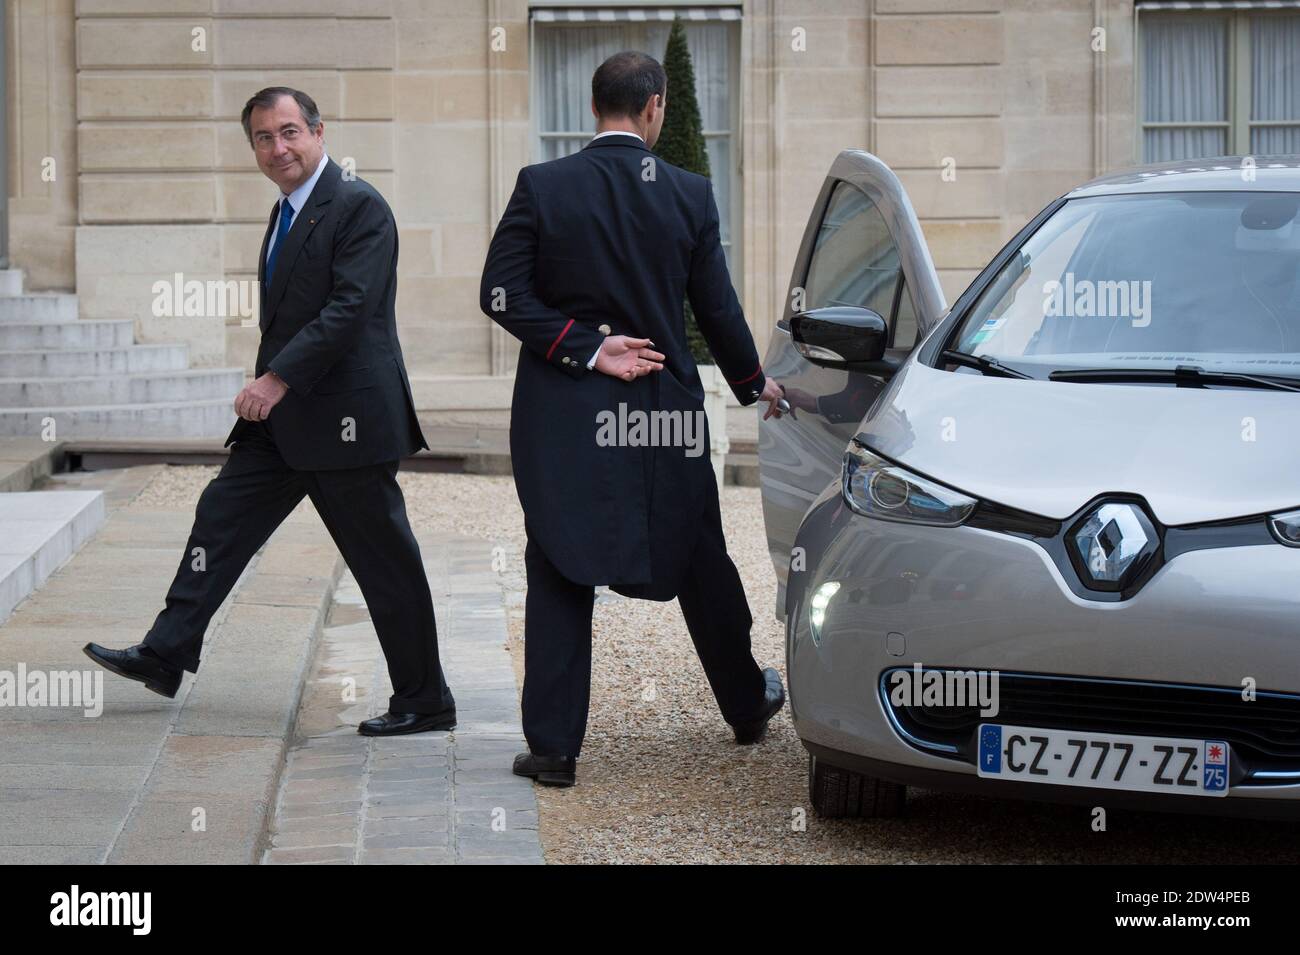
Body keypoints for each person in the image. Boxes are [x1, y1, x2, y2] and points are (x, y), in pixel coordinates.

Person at [84, 87, 454, 736]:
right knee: (220, 517)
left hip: (346, 423)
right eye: (263, 137)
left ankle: (426, 700)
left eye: (288, 132)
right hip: (284, 428)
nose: (277, 147)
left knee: (384, 563)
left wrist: (276, 378)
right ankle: (167, 651)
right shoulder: (287, 210)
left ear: (317, 131)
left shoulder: (358, 206)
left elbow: (350, 310)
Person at [480, 52, 787, 788]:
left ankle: (554, 748)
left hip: (563, 414)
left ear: (595, 109)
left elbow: (498, 294)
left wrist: (585, 347)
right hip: (661, 411)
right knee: (697, 554)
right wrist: (755, 383)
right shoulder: (688, 193)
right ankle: (746, 705)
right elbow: (716, 309)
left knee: (557, 559)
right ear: (654, 107)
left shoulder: (542, 186)